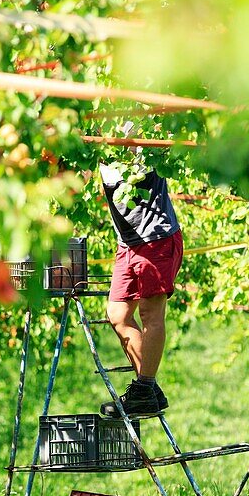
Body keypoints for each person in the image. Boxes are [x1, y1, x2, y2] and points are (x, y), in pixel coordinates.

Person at [97, 148, 183, 418]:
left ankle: (144, 388)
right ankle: (148, 388)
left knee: (150, 313)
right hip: (128, 243)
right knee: (118, 314)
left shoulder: (137, 130)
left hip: (156, 237)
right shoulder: (97, 140)